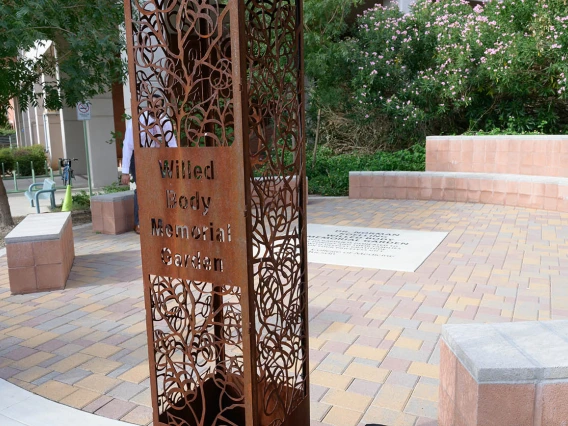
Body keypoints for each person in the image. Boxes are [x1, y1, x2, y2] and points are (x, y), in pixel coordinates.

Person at [121, 108, 177, 234]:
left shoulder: (164, 120)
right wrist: (125, 171)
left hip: (155, 157)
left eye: (159, 106)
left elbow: (171, 142)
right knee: (142, 189)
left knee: (158, 188)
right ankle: (139, 222)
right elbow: (128, 145)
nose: (156, 108)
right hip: (138, 157)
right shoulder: (138, 120)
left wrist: (176, 161)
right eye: (153, 105)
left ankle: (158, 220)